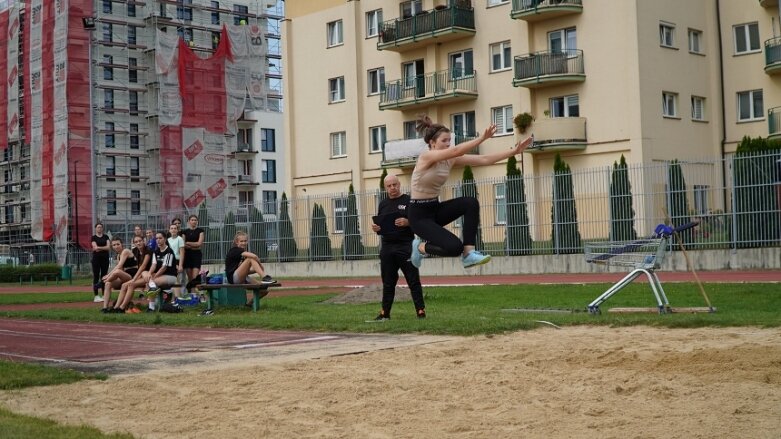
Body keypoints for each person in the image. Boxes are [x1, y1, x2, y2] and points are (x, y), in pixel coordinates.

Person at [408, 114, 532, 269]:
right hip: (419, 216)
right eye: (444, 141)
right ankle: (420, 247)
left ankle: (468, 254)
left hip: (435, 208)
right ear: (432, 143)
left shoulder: (449, 159)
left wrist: (514, 151)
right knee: (454, 248)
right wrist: (482, 138)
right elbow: (457, 151)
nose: (448, 144)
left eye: (449, 141)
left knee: (470, 203)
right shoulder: (426, 157)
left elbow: (484, 160)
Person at [370, 174, 426, 321]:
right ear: (385, 187)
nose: (392, 188)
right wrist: (377, 228)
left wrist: (408, 222)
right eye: (389, 186)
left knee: (413, 280)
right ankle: (385, 313)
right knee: (388, 282)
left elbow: (419, 222)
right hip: (387, 246)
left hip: (405, 245)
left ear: (399, 184)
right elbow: (381, 224)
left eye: (394, 184)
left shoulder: (408, 201)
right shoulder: (383, 204)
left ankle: (420, 311)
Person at [112, 236, 152, 313]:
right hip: (141, 274)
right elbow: (138, 266)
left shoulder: (148, 250)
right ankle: (116, 307)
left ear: (143, 241)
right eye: (136, 242)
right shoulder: (135, 251)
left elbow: (143, 266)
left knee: (130, 284)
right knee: (124, 285)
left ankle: (121, 308)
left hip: (148, 274)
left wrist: (134, 279)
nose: (138, 243)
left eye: (140, 241)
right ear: (133, 243)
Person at [143, 232, 180, 311]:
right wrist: (150, 274)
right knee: (147, 277)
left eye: (160, 238)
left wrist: (154, 277)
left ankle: (152, 307)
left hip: (171, 276)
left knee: (152, 282)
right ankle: (152, 306)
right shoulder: (156, 251)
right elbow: (154, 265)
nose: (158, 240)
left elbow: (164, 268)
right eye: (156, 238)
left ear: (165, 239)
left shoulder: (169, 251)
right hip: (160, 275)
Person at [100, 238, 138, 313]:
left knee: (117, 272)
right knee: (108, 284)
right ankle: (105, 308)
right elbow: (120, 269)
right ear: (112, 246)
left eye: (118, 244)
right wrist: (110, 277)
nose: (116, 246)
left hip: (132, 276)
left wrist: (108, 276)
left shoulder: (125, 251)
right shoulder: (118, 256)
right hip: (124, 276)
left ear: (122, 244)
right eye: (114, 245)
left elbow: (119, 266)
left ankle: (102, 282)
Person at [182, 214, 205, 293]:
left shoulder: (200, 231)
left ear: (197, 222)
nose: (194, 221)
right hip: (187, 256)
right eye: (192, 220)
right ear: (188, 221)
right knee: (190, 277)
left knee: (195, 277)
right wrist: (194, 245)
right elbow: (183, 244)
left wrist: (188, 243)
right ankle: (191, 294)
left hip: (197, 255)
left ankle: (194, 295)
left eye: (195, 220)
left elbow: (199, 244)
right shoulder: (184, 232)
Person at [91, 223, 111, 302]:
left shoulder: (106, 236)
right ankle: (96, 296)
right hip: (96, 259)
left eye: (101, 227)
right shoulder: (93, 237)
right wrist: (102, 248)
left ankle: (104, 294)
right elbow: (95, 248)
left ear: (102, 228)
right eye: (98, 227)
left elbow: (108, 247)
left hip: (105, 259)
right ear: (95, 228)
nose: (99, 228)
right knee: (96, 276)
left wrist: (99, 247)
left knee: (104, 276)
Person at [167, 223, 186, 298]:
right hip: (170, 261)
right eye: (172, 228)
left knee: (178, 280)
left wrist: (180, 265)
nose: (173, 230)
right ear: (169, 230)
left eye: (175, 228)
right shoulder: (167, 240)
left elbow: (182, 253)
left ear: (177, 230)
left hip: (177, 261)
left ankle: (179, 297)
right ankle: (173, 298)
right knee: (171, 280)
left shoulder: (180, 239)